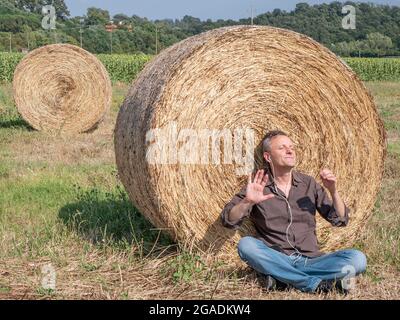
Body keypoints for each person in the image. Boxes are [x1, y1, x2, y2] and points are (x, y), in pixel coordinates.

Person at [220, 130, 367, 294]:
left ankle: (282, 279)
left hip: (313, 260)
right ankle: (314, 283)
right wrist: (248, 201)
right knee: (246, 245)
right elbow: (228, 220)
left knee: (358, 259)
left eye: (291, 147)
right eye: (282, 148)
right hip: (278, 258)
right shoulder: (258, 185)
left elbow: (340, 220)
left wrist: (333, 191)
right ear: (268, 157)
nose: (290, 151)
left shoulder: (308, 184)